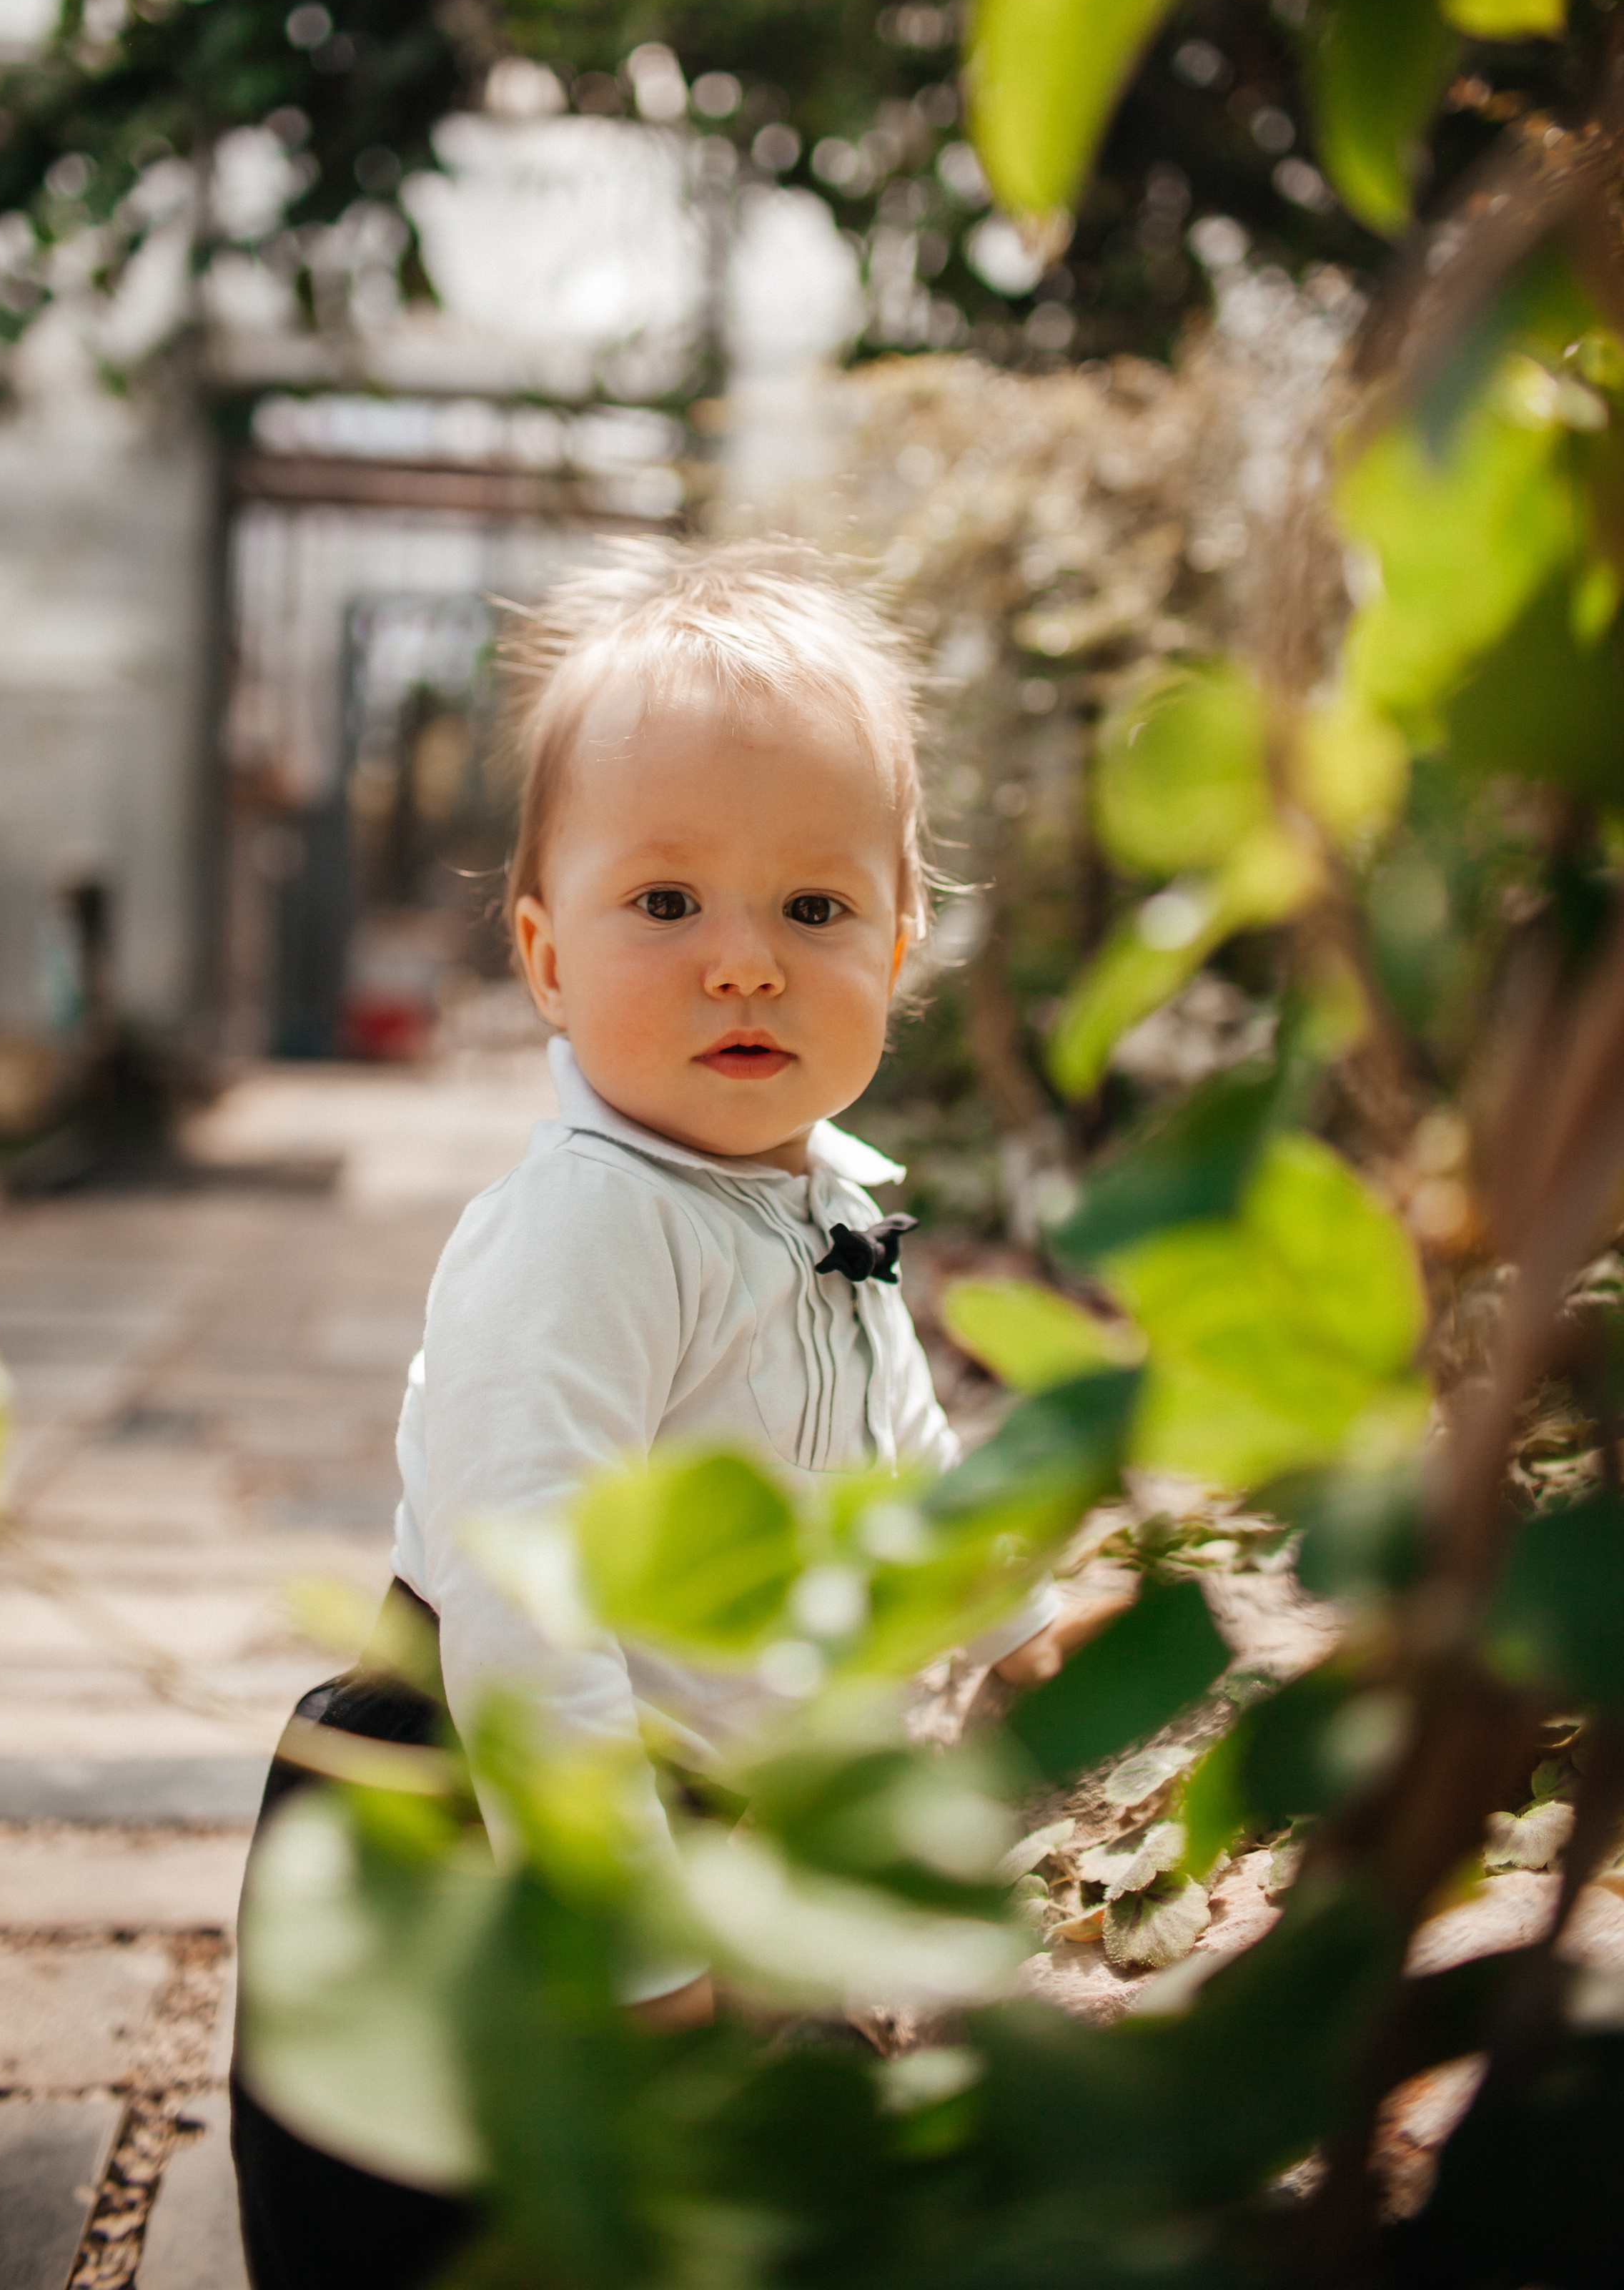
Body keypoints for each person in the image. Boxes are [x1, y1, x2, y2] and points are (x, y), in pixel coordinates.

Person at [231, 540, 1115, 2284]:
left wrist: (1008, 1611)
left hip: (707, 1814)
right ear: (545, 954)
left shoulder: (816, 1197)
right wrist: (639, 1956)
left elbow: (896, 1453)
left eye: (810, 910)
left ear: (902, 939)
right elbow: (519, 1616)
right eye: (665, 905)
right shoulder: (587, 1230)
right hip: (490, 1828)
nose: (743, 967)